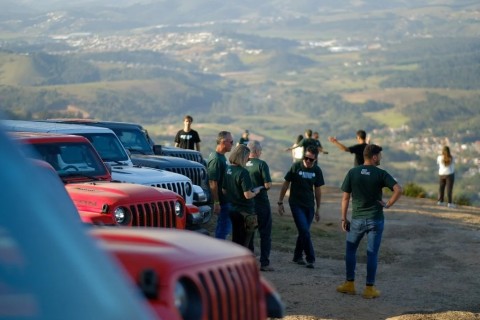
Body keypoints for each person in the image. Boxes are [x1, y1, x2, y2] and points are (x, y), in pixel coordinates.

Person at [336, 144, 402, 299]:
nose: (380, 158)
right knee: (372, 253)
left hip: (357, 219)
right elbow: (399, 189)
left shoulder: (353, 172)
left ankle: (350, 284)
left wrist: (344, 218)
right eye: (379, 155)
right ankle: (369, 289)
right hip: (375, 220)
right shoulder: (381, 173)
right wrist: (388, 204)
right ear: (374, 157)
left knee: (350, 250)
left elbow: (345, 197)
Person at [278, 145, 324, 269]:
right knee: (304, 230)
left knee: (304, 232)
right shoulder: (296, 166)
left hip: (309, 205)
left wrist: (318, 209)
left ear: (315, 159)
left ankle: (297, 256)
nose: (308, 161)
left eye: (311, 159)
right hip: (296, 203)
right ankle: (310, 258)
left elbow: (318, 190)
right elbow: (285, 184)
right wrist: (280, 202)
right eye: (306, 158)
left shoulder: (317, 170)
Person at [222, 144, 261, 248]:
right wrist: (256, 192)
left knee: (236, 239)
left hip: (233, 209)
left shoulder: (228, 169)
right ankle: (245, 263)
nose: (248, 159)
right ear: (243, 157)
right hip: (245, 211)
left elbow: (224, 190)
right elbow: (248, 195)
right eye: (247, 156)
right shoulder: (243, 172)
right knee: (246, 242)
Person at [245, 140, 274, 271]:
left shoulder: (242, 164)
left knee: (249, 233)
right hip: (261, 203)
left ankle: (249, 262)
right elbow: (268, 185)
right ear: (256, 151)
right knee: (265, 233)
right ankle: (264, 263)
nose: (261, 152)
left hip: (248, 204)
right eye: (260, 150)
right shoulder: (262, 164)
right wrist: (261, 187)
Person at [207, 131, 234, 239]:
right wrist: (217, 202)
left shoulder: (222, 157)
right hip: (222, 201)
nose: (232, 144)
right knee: (223, 229)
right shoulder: (216, 159)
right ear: (223, 142)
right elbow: (213, 182)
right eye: (231, 142)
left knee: (224, 228)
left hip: (225, 199)